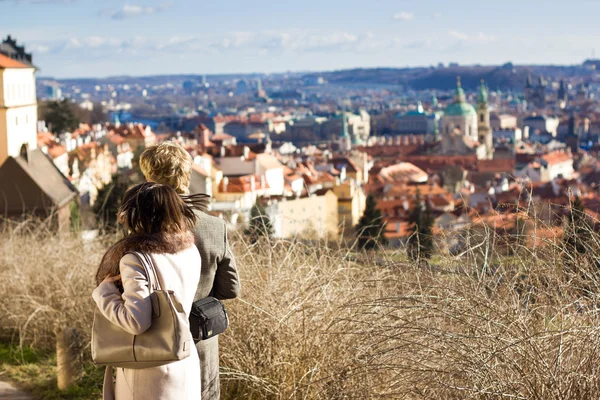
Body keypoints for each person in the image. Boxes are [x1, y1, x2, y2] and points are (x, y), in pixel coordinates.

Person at [140, 141, 240, 399]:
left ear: (149, 178)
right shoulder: (214, 227)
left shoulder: (137, 227)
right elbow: (231, 288)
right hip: (200, 339)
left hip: (152, 344)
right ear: (186, 175)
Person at [93, 182, 202, 399]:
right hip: (185, 361)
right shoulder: (190, 250)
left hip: (149, 372)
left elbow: (136, 321)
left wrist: (104, 292)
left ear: (139, 216)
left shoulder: (135, 259)